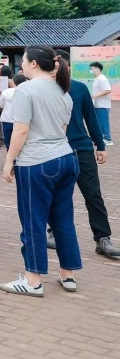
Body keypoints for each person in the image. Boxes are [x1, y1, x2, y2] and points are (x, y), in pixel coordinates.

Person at [0, 45, 79, 297]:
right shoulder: (63, 91)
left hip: (36, 162)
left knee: (33, 220)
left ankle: (33, 280)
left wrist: (9, 161)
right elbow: (62, 129)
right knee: (62, 219)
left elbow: (21, 130)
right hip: (65, 158)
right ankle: (68, 274)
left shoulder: (25, 90)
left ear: (33, 63)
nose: (21, 64)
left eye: (23, 60)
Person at [48, 51, 118, 258]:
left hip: (82, 148)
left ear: (67, 66)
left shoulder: (79, 88)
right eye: (52, 66)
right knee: (59, 195)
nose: (55, 70)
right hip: (55, 149)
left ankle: (103, 238)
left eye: (58, 66)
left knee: (93, 194)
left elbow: (91, 118)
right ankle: (54, 232)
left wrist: (100, 145)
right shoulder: (43, 89)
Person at [0, 74, 27, 151]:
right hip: (21, 121)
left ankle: (10, 155)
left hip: (7, 120)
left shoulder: (6, 92)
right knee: (21, 141)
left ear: (13, 82)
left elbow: (0, 104)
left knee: (8, 142)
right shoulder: (26, 92)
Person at [90, 62, 113, 146]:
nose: (91, 71)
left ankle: (107, 139)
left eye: (91, 69)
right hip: (97, 104)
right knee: (99, 122)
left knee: (103, 123)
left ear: (97, 68)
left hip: (103, 105)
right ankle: (101, 138)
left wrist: (94, 96)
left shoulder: (102, 79)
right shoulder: (97, 78)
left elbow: (108, 90)